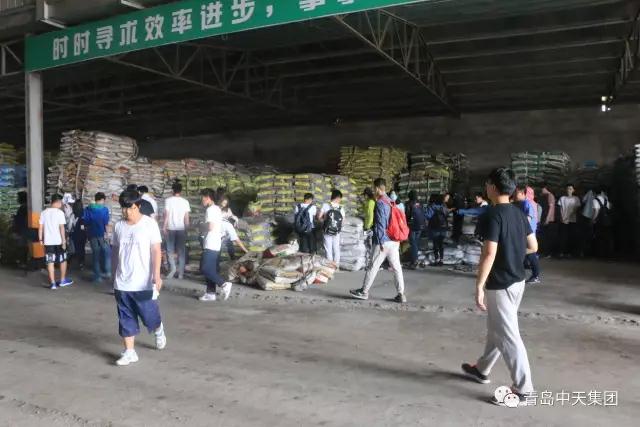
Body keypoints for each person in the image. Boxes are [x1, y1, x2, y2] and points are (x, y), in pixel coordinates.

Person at [461, 168, 537, 406]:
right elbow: (533, 246)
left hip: (500, 284)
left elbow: (489, 253)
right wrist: (513, 254)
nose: (486, 187)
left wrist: (479, 285)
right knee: (497, 328)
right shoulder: (519, 213)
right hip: (518, 282)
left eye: (487, 184)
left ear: (493, 187)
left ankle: (524, 390)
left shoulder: (492, 215)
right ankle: (481, 369)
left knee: (508, 335)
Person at [111, 189, 166, 366]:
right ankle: (130, 352)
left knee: (149, 317)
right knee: (125, 318)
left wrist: (156, 275)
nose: (127, 212)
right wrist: (113, 273)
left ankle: (158, 329)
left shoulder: (149, 224)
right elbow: (115, 251)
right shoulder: (119, 226)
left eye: (131, 208)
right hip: (122, 281)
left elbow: (156, 250)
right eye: (124, 208)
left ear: (139, 206)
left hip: (143, 282)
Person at [350, 178, 406, 303]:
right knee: (397, 267)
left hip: (384, 241)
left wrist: (380, 241)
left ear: (376, 188)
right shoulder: (391, 201)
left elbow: (380, 224)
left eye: (373, 188)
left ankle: (364, 291)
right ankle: (401, 294)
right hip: (394, 240)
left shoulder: (380, 203)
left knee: (373, 266)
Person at [198, 188, 233, 302]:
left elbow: (210, 226)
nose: (202, 200)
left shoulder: (210, 210)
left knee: (205, 268)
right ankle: (210, 293)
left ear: (207, 197)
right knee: (211, 269)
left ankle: (224, 284)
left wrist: (200, 225)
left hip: (211, 243)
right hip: (216, 242)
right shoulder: (217, 209)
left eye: (202, 197)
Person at [39, 194, 73, 290]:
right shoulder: (59, 213)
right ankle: (62, 280)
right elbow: (61, 228)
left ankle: (53, 283)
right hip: (58, 241)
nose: (61, 205)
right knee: (63, 260)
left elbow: (40, 228)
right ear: (58, 202)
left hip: (48, 242)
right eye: (61, 203)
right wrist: (64, 241)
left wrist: (40, 239)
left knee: (50, 261)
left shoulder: (43, 213)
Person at [163, 182, 191, 279]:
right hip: (181, 229)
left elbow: (166, 215)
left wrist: (164, 226)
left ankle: (173, 268)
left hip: (170, 228)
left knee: (169, 250)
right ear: (181, 190)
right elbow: (186, 218)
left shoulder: (168, 200)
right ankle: (181, 274)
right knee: (181, 251)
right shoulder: (185, 202)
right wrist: (187, 229)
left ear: (172, 190)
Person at [514, 186, 542, 284]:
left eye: (516, 193)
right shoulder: (521, 203)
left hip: (528, 233)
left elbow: (527, 219)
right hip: (525, 232)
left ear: (522, 193)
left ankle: (536, 276)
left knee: (531, 254)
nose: (514, 195)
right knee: (526, 254)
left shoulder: (527, 203)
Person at [84, 192, 111, 283]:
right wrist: (108, 235)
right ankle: (107, 272)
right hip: (102, 234)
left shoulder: (87, 209)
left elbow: (86, 222)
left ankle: (97, 277)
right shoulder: (104, 209)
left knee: (95, 255)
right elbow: (106, 223)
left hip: (92, 234)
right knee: (106, 252)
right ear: (102, 200)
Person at [317, 190, 345, 268]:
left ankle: (330, 267)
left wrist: (325, 221)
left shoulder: (325, 205)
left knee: (328, 249)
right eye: (340, 199)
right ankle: (336, 265)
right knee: (336, 248)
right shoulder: (340, 208)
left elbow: (319, 218)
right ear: (338, 198)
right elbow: (343, 222)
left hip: (327, 231)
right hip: (336, 232)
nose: (340, 200)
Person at [557, 184, 581, 258]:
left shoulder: (576, 198)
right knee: (562, 237)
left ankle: (570, 253)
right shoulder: (562, 198)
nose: (569, 190)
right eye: (567, 189)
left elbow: (575, 210)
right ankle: (561, 252)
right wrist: (562, 218)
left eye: (570, 189)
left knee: (571, 237)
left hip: (572, 220)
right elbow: (560, 209)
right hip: (563, 221)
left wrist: (567, 217)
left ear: (573, 190)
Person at [425, 194, 449, 266]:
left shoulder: (432, 206)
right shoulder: (444, 206)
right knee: (441, 244)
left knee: (435, 244)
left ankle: (436, 259)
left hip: (435, 228)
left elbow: (428, 216)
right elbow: (447, 214)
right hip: (443, 228)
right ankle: (441, 259)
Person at [406, 191, 425, 269]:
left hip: (412, 226)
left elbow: (407, 214)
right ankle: (414, 259)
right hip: (420, 225)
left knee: (413, 243)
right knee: (416, 243)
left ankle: (414, 261)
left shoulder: (408, 204)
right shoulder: (420, 203)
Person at [592, 188, 614, 258]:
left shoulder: (595, 200)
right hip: (607, 222)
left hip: (599, 222)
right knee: (607, 238)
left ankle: (600, 253)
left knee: (599, 237)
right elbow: (610, 208)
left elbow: (596, 211)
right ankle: (608, 253)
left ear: (594, 193)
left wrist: (593, 219)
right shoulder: (606, 200)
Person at [218, 194, 239, 260]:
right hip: (218, 230)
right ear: (220, 201)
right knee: (219, 245)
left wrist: (235, 218)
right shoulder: (216, 208)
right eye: (223, 203)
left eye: (226, 203)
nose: (224, 204)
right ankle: (218, 258)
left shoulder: (228, 210)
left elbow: (231, 215)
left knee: (229, 242)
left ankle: (232, 257)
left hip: (226, 230)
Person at [538, 184, 556, 257]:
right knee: (545, 237)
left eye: (542, 189)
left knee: (548, 237)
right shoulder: (545, 196)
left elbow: (550, 208)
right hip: (546, 219)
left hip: (549, 220)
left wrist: (547, 219)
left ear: (546, 189)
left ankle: (548, 253)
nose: (541, 190)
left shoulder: (550, 196)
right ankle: (545, 252)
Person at [68, 199, 87, 270]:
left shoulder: (72, 215)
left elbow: (69, 225)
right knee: (82, 248)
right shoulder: (84, 213)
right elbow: (85, 225)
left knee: (76, 248)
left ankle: (71, 262)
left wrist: (69, 231)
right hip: (83, 234)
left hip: (75, 234)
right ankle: (81, 263)